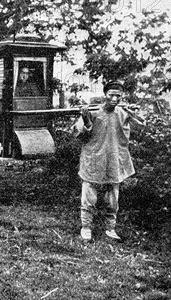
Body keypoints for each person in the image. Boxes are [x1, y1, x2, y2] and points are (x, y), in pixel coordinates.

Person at [73, 80, 144, 242]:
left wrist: (134, 113)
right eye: (111, 95)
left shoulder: (123, 113)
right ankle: (86, 227)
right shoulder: (93, 111)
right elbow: (80, 134)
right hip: (94, 158)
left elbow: (140, 126)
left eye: (118, 96)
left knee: (113, 197)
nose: (115, 99)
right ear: (105, 95)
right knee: (89, 195)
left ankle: (110, 228)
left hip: (115, 158)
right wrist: (85, 118)